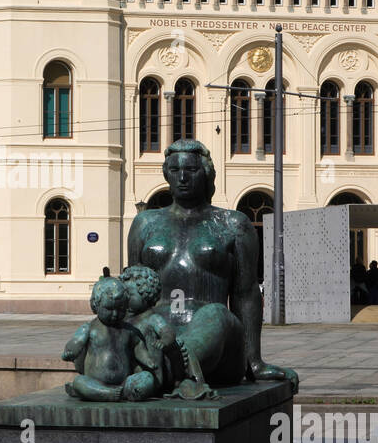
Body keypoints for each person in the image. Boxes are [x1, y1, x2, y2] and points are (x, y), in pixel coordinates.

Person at [126, 139, 295, 388]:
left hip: (218, 345)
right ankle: (161, 371)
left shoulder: (233, 224)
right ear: (167, 175)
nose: (182, 177)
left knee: (215, 314)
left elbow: (246, 293)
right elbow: (131, 291)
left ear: (205, 174)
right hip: (159, 336)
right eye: (174, 171)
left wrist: (254, 361)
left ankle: (167, 371)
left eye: (191, 170)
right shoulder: (145, 223)